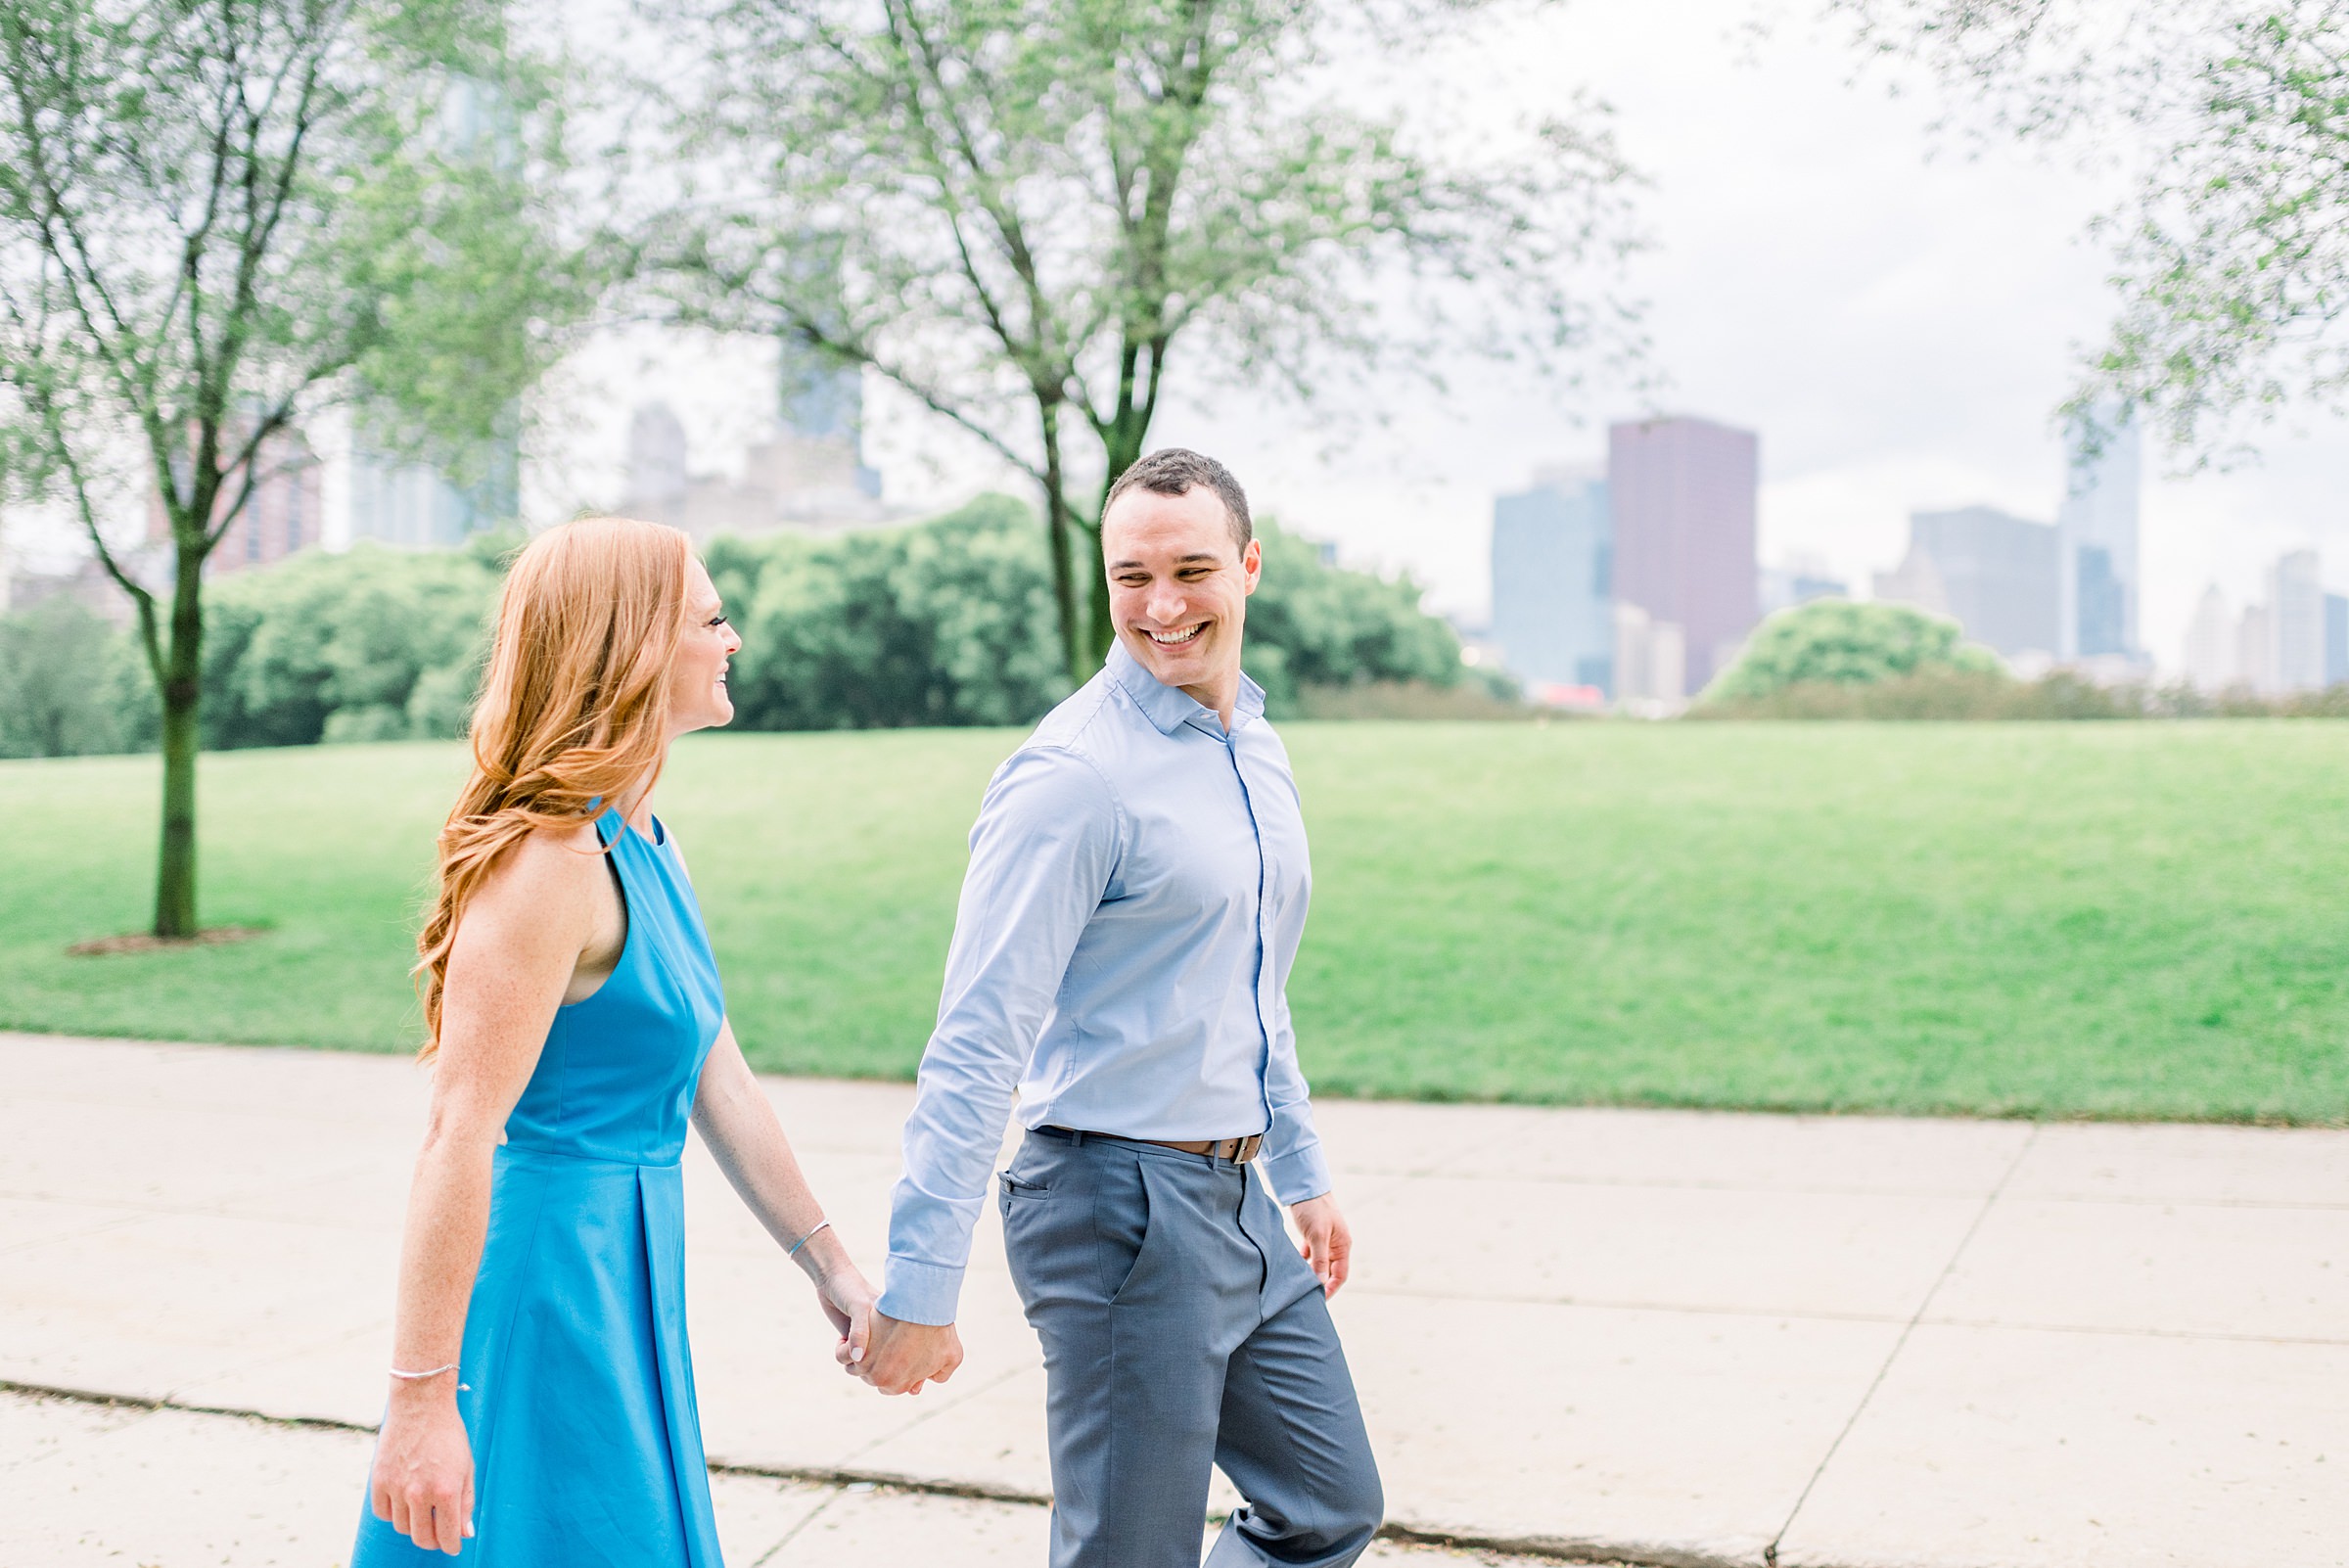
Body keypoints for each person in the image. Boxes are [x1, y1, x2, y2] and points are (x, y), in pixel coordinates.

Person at [856, 449, 1385, 1568]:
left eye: (1192, 569)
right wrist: (921, 1283)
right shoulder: (1073, 778)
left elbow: (1251, 985)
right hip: (1116, 1204)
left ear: (1249, 566)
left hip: (1234, 1194)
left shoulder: (1254, 745)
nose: (1162, 606)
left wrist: (1302, 1170)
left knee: (1328, 1507)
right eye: (1129, 577)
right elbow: (976, 1039)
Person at [353, 515, 875, 1564]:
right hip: (547, 1287)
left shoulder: (639, 834)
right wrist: (418, 1404)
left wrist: (832, 1267)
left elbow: (715, 1077)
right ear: (632, 645)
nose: (734, 641)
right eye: (713, 620)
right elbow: (458, 1133)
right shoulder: (550, 861)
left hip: (624, 1271)